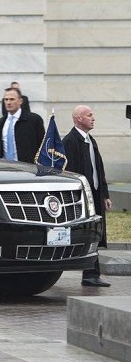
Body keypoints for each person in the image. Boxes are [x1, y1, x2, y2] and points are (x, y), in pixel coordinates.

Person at [63, 105, 112, 287]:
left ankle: (92, 274)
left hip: (96, 195)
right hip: (82, 197)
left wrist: (105, 194)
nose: (93, 118)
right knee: (88, 234)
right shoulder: (70, 141)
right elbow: (69, 172)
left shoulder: (91, 140)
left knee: (95, 233)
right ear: (78, 119)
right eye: (89, 115)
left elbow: (99, 169)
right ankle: (90, 273)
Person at [0, 87, 44, 163]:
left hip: (28, 168)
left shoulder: (34, 120)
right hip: (5, 169)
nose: (8, 102)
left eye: (12, 99)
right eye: (6, 99)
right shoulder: (0, 123)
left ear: (20, 101)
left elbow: (43, 145)